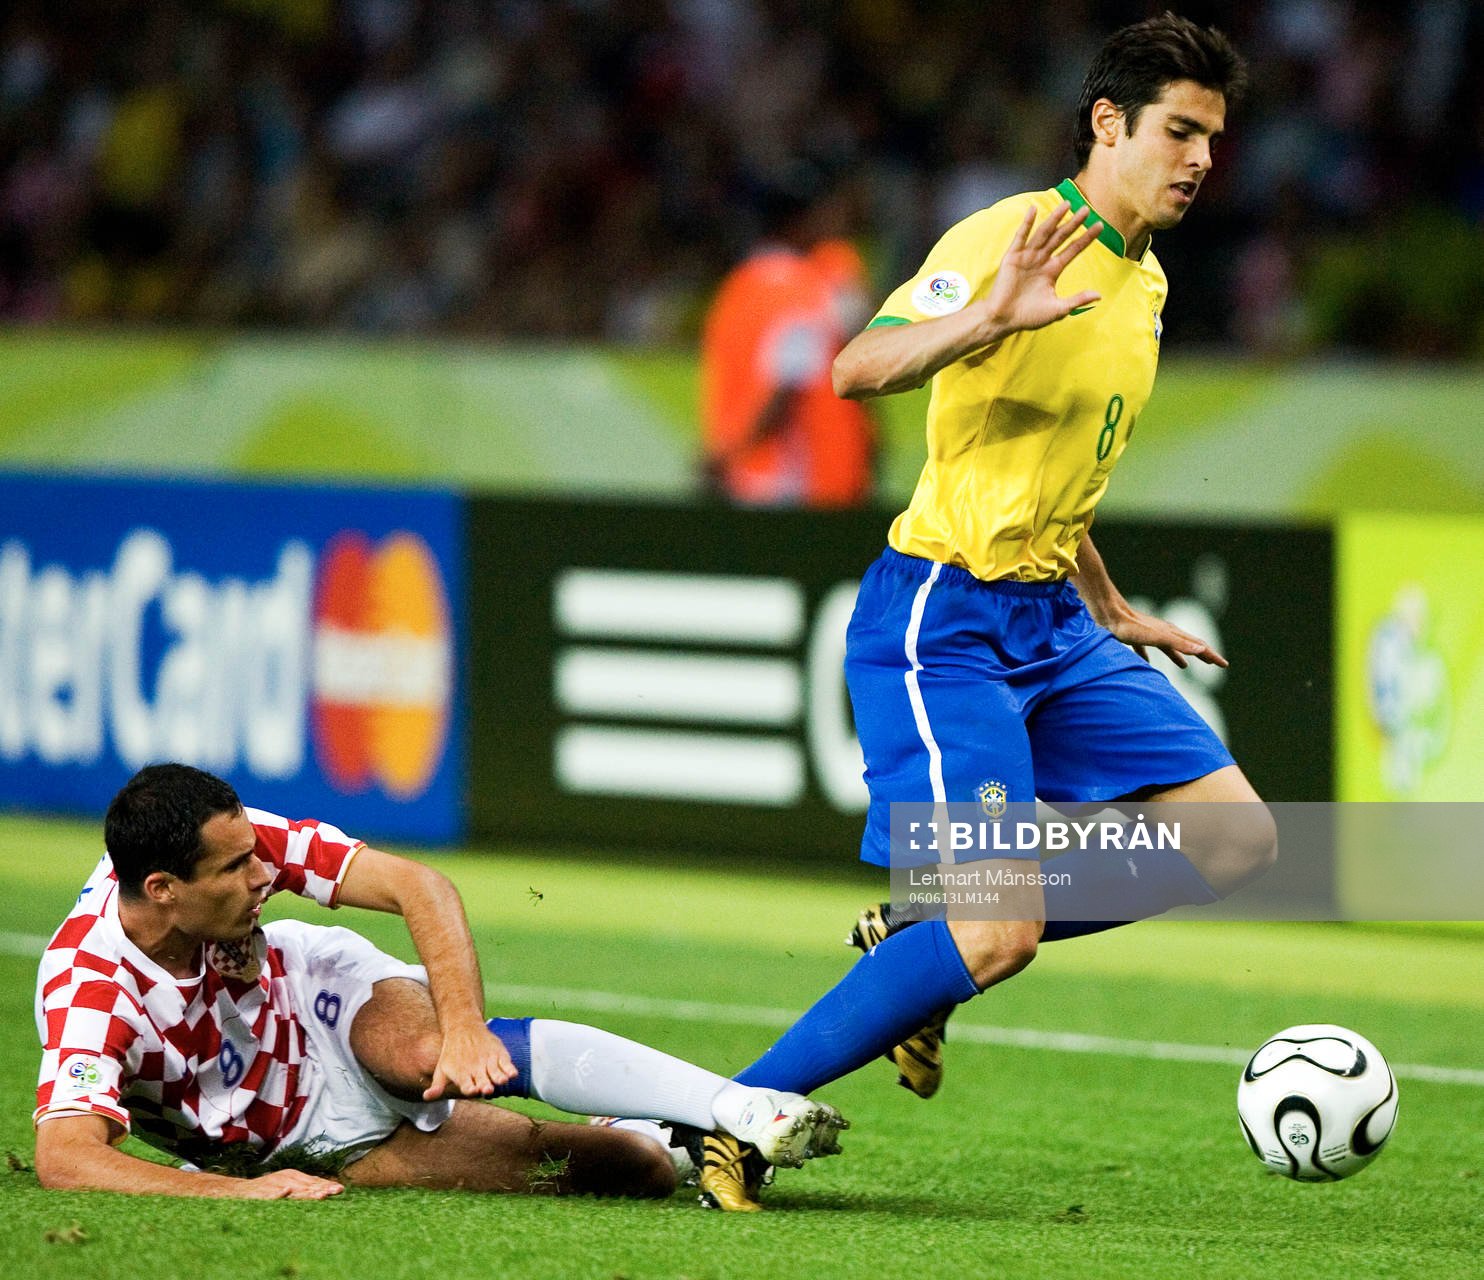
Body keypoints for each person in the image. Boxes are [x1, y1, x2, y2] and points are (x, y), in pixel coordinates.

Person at [702, 14, 1277, 1204]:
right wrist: (983, 318)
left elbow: (1059, 476)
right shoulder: (1011, 235)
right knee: (999, 931)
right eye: (1178, 131)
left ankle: (925, 939)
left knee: (1233, 836)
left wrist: (1111, 608)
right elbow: (855, 366)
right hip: (942, 621)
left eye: (1212, 139)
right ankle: (731, 1118)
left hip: (1055, 627)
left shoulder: (1145, 278)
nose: (1199, 159)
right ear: (1107, 124)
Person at [33, 763, 845, 1205]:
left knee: (422, 1052)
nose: (263, 871)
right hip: (304, 1141)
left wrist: (463, 1026)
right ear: (164, 888)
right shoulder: (93, 986)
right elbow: (66, 1158)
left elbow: (421, 887)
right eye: (236, 867)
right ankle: (678, 1136)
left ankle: (735, 1104)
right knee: (626, 1172)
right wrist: (232, 1194)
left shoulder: (243, 849)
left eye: (256, 851)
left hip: (319, 1003)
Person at [699, 168, 876, 508]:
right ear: (799, 221)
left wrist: (723, 455)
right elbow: (785, 385)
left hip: (745, 474)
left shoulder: (737, 284)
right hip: (791, 479)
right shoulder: (804, 289)